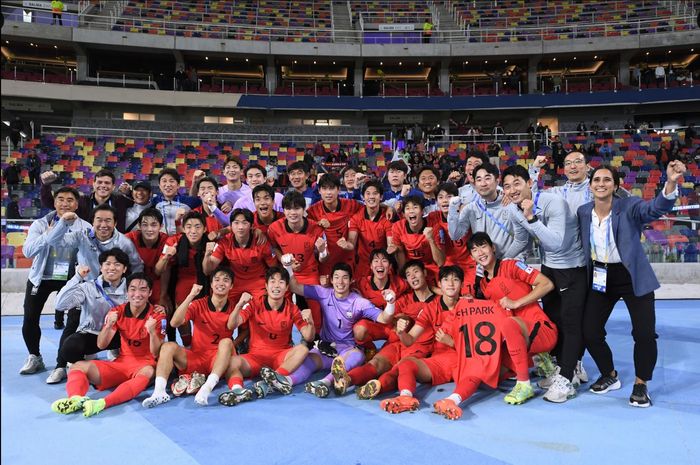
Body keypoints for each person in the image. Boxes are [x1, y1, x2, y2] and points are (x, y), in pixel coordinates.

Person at [578, 160, 686, 408]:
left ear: (616, 185)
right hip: (600, 276)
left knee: (644, 334)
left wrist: (670, 182)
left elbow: (655, 209)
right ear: (590, 186)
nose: (601, 184)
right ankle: (609, 374)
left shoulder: (630, 206)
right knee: (590, 331)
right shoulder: (583, 212)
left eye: (607, 179)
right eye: (596, 180)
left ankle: (641, 383)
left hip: (632, 276)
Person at [501, 165, 588, 402]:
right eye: (507, 186)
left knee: (571, 325)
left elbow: (556, 243)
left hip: (572, 268)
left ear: (530, 182)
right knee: (555, 322)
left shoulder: (553, 202)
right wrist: (502, 263)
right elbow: (521, 239)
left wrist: (531, 217)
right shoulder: (515, 209)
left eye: (517, 183)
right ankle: (563, 368)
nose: (512, 190)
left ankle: (568, 377)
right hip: (550, 269)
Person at [256, 262, 397, 398]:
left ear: (351, 280)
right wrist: (288, 267)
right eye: (336, 277)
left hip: (349, 349)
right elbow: (295, 287)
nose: (340, 282)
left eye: (345, 278)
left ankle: (324, 383)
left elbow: (384, 318)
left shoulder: (358, 302)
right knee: (308, 360)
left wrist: (390, 303)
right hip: (327, 348)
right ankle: (287, 382)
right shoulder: (323, 292)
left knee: (358, 357)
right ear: (331, 279)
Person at [50, 273, 166, 418]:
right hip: (122, 363)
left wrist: (152, 333)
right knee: (77, 366)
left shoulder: (158, 315)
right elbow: (101, 344)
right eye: (133, 289)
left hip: (145, 365)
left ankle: (102, 403)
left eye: (143, 290)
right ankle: (75, 399)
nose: (137, 294)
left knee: (148, 371)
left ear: (150, 293)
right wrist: (109, 325)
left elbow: (155, 353)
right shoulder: (117, 311)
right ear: (127, 292)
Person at [468, 232, 558, 404]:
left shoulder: (512, 265)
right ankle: (539, 359)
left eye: (483, 246)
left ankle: (524, 385)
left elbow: (547, 284)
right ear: (471, 256)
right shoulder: (483, 285)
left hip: (542, 330)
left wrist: (517, 303)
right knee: (490, 375)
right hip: (517, 340)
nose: (480, 252)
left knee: (509, 324)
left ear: (493, 248)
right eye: (474, 250)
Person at [215, 266, 316, 405]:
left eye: (281, 282)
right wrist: (239, 305)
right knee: (231, 363)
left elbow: (308, 336)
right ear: (266, 286)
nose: (276, 285)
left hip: (281, 357)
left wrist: (310, 322)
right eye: (272, 281)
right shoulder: (254, 304)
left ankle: (275, 378)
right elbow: (232, 325)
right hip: (255, 358)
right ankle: (238, 390)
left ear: (287, 287)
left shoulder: (292, 308)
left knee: (303, 349)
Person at [19, 187, 90, 377]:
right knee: (29, 319)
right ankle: (35, 356)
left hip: (71, 278)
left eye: (70, 200)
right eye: (60, 199)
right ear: (54, 202)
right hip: (41, 278)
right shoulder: (40, 224)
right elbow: (28, 252)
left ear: (76, 204)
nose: (65, 203)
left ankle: (62, 363)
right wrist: (49, 233)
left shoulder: (85, 226)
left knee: (74, 320)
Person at [141, 268, 238, 408]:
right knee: (168, 346)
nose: (221, 283)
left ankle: (206, 388)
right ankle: (159, 392)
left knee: (227, 342)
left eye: (226, 280)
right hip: (196, 357)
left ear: (232, 286)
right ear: (211, 284)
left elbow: (245, 330)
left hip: (218, 361)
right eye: (216, 280)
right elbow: (174, 323)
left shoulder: (235, 307)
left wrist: (232, 348)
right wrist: (190, 296)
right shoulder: (199, 304)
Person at [342, 260, 436, 400]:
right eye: (409, 275)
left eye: (416, 272)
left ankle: (378, 387)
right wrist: (400, 319)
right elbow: (390, 319)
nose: (413, 277)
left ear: (425, 273)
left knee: (397, 370)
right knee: (376, 363)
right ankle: (347, 380)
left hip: (420, 348)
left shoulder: (438, 301)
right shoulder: (404, 300)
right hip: (398, 343)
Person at [47, 248, 131, 384]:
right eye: (107, 264)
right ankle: (85, 365)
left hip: (119, 335)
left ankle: (119, 353)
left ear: (124, 268)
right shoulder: (89, 287)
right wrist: (77, 277)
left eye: (117, 264)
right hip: (92, 334)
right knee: (70, 348)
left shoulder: (131, 288)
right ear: (101, 267)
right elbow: (60, 304)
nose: (112, 268)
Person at [267, 190, 327, 332]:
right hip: (285, 274)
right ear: (283, 210)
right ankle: (282, 336)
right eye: (288, 208)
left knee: (316, 309)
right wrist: (282, 258)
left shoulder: (316, 228)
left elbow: (324, 258)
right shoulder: (274, 228)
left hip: (309, 273)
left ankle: (316, 339)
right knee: (277, 305)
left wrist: (323, 250)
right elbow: (273, 248)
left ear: (303, 209)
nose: (292, 213)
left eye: (296, 208)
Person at [447, 163, 529, 260]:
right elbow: (455, 235)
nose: (483, 183)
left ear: (497, 181)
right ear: (474, 183)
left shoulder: (511, 203)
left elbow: (522, 240)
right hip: (484, 266)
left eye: (487, 178)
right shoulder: (470, 209)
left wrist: (504, 262)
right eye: (479, 179)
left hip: (511, 264)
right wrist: (452, 210)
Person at [156, 211, 210, 346]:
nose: (193, 231)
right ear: (184, 228)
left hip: (206, 281)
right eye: (189, 226)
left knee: (206, 315)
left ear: (204, 229)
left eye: (197, 227)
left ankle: (204, 344)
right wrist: (166, 257)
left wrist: (208, 253)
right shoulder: (173, 241)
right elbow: (158, 270)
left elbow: (210, 271)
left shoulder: (211, 243)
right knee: (180, 311)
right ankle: (187, 344)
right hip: (183, 281)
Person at [203, 208, 276, 304]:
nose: (240, 227)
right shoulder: (225, 241)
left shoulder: (260, 241)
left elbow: (274, 267)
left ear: (251, 226)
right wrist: (207, 255)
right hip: (234, 282)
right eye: (236, 223)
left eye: (244, 223)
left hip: (258, 282)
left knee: (262, 307)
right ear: (231, 226)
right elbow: (208, 270)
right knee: (221, 303)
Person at [41, 168, 135, 233]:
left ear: (113, 187)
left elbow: (140, 203)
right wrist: (45, 186)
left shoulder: (121, 201)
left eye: (107, 183)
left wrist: (129, 193)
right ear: (93, 184)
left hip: (113, 247)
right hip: (86, 247)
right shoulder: (82, 201)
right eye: (99, 182)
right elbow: (51, 203)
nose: (103, 185)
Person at [307, 174, 363, 278]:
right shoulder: (313, 210)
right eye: (324, 188)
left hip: (347, 260)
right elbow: (300, 222)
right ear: (319, 191)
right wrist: (317, 223)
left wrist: (388, 208)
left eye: (332, 188)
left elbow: (370, 206)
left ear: (338, 190)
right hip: (325, 262)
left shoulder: (350, 204)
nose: (328, 193)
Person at [387, 195, 445, 282]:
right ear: (403, 214)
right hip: (411, 268)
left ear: (422, 211)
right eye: (407, 208)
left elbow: (440, 262)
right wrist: (404, 276)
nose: (411, 211)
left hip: (431, 267)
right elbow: (401, 255)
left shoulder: (434, 226)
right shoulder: (398, 227)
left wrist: (431, 240)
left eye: (415, 207)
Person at [125, 208, 171, 311]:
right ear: (139, 226)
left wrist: (163, 296)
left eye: (154, 225)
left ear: (161, 226)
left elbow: (165, 271)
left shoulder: (167, 240)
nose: (149, 229)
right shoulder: (128, 239)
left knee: (162, 308)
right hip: (133, 280)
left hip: (157, 280)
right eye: (145, 225)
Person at [347, 180, 394, 279]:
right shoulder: (356, 217)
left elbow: (390, 244)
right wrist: (346, 244)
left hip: (381, 265)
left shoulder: (387, 217)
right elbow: (351, 242)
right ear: (363, 197)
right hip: (362, 265)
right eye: (368, 193)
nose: (371, 196)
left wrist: (392, 248)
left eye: (375, 193)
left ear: (381, 197)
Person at [151, 168, 201, 236]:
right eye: (164, 181)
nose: (168, 184)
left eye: (171, 181)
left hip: (181, 240)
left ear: (178, 185)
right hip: (161, 241)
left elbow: (204, 202)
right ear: (159, 186)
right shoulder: (155, 201)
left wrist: (196, 182)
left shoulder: (187, 201)